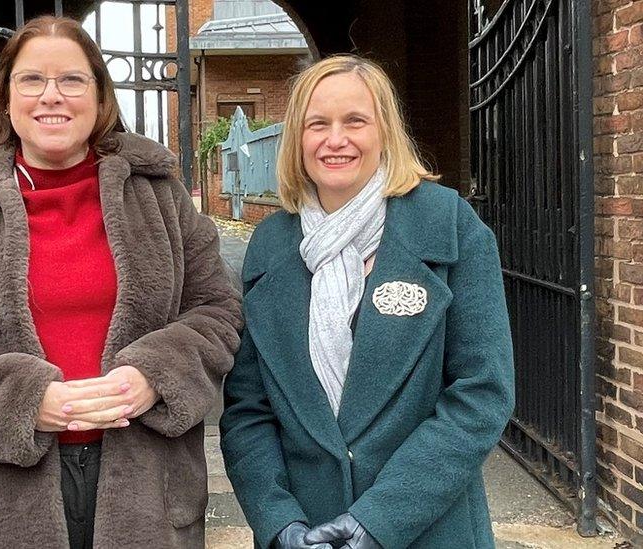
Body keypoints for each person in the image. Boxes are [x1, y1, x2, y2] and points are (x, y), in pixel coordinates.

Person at [0, 15, 242, 549]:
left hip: (146, 486)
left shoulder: (159, 196)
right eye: (32, 80)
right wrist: (25, 400)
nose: (52, 96)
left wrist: (155, 376)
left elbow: (217, 309)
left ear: (98, 96)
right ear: (7, 97)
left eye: (71, 79)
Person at [219, 54, 515, 549]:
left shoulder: (450, 225)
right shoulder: (270, 244)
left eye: (355, 121)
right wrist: (277, 522)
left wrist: (378, 522)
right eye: (319, 124)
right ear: (298, 139)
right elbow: (248, 408)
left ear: (385, 132)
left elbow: (482, 393)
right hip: (306, 532)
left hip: (427, 527)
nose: (336, 139)